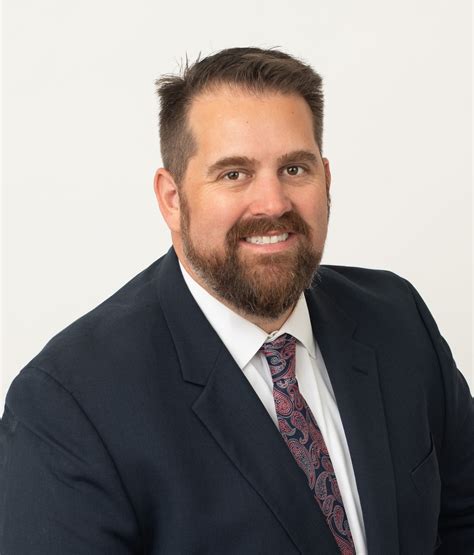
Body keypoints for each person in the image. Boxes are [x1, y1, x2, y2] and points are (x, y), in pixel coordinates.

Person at [0, 47, 473, 555]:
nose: (273, 203)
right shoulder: (67, 405)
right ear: (172, 199)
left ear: (326, 179)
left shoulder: (396, 318)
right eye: (234, 174)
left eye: (295, 169)